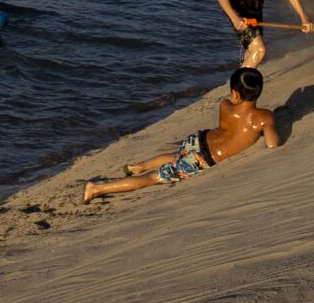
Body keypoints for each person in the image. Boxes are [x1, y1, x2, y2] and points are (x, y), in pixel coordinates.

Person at [83, 67, 281, 202]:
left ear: (235, 94)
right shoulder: (263, 118)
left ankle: (139, 166)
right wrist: (267, 128)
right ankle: (97, 189)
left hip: (198, 140)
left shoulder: (225, 105)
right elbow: (273, 144)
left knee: (177, 158)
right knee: (153, 179)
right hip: (203, 160)